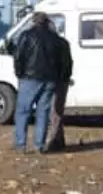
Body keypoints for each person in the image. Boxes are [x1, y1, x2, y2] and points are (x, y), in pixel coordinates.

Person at [11, 11, 65, 153]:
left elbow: (18, 57)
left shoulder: (26, 35)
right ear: (47, 22)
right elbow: (60, 61)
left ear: (34, 21)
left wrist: (19, 74)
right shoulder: (55, 38)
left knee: (23, 111)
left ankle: (21, 145)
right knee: (43, 113)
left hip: (29, 78)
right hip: (49, 80)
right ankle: (39, 146)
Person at [43, 17, 74, 153]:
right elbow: (69, 63)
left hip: (55, 80)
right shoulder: (64, 43)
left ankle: (55, 141)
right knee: (57, 111)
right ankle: (59, 140)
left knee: (54, 112)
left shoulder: (51, 44)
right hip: (63, 81)